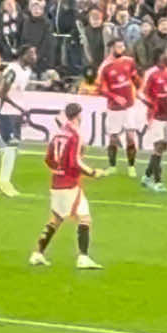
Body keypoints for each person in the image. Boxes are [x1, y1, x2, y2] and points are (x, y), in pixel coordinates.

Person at [29, 102, 101, 270]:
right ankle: (83, 257)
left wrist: (58, 170)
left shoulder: (58, 134)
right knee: (85, 218)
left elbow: (48, 159)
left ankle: (37, 254)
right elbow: (75, 161)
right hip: (70, 184)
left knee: (56, 219)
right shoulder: (75, 135)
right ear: (77, 115)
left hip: (56, 182)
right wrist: (92, 172)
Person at [0, 46, 38, 197]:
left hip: (15, 113)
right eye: (31, 53)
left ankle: (5, 181)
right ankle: (3, 181)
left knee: (13, 147)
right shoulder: (13, 70)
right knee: (10, 145)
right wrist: (18, 107)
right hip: (6, 112)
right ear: (23, 55)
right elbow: (1, 92)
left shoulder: (27, 71)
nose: (34, 56)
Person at [96, 45, 141, 177]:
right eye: (119, 46)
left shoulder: (129, 61)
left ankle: (131, 166)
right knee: (113, 138)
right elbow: (101, 88)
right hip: (114, 108)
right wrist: (115, 97)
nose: (122, 48)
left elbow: (135, 77)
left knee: (131, 137)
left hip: (129, 106)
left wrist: (139, 87)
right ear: (111, 48)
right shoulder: (105, 66)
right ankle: (112, 166)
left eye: (122, 46)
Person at [140, 50, 167, 193]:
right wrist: (153, 106)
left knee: (163, 147)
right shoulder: (151, 73)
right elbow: (142, 94)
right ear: (159, 57)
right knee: (157, 146)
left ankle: (146, 175)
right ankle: (157, 182)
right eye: (165, 54)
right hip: (156, 116)